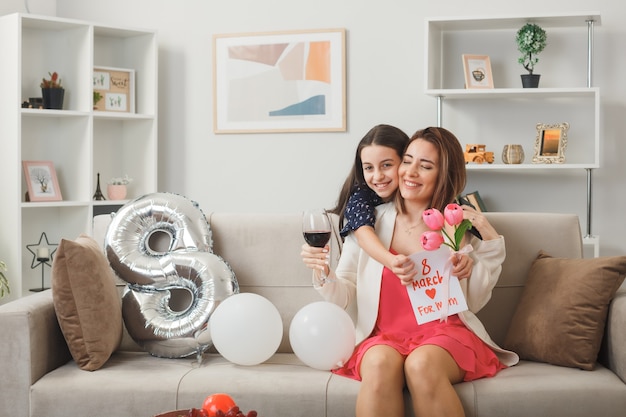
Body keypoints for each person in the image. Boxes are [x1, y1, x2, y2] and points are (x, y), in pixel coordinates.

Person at [301, 127, 519, 417]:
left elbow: (474, 301)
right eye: (407, 160)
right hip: (382, 337)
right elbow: (345, 294)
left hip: (445, 334)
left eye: (425, 166)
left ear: (443, 175)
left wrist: (477, 255)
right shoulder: (368, 225)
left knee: (421, 364)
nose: (410, 172)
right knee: (378, 365)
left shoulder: (453, 224)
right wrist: (324, 273)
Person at [329, 124, 415, 281]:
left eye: (386, 165)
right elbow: (363, 233)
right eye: (369, 168)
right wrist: (391, 261)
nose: (378, 176)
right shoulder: (361, 195)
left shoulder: (417, 192)